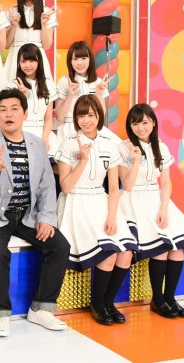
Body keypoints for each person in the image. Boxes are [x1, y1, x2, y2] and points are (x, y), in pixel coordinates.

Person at [0, 88, 70, 337]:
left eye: (14, 109)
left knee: (59, 246)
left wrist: (46, 218)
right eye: (2, 109)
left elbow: (47, 185)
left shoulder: (37, 144)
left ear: (25, 113)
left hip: (26, 215)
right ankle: (1, 313)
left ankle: (40, 308)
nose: (8, 114)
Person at [56, 95, 137, 325]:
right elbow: (65, 187)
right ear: (76, 118)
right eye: (81, 116)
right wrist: (83, 160)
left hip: (102, 202)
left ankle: (108, 303)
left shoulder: (109, 143)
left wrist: (112, 216)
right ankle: (98, 304)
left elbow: (114, 187)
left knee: (126, 252)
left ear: (99, 116)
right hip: (76, 203)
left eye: (91, 115)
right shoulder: (68, 143)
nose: (86, 120)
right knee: (109, 253)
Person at [119, 104, 184, 318]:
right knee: (160, 246)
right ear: (130, 126)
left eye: (145, 122)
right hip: (134, 200)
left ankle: (170, 298)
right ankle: (158, 299)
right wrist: (135, 160)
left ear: (153, 122)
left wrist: (163, 208)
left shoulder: (161, 146)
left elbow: (167, 182)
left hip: (157, 199)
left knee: (178, 246)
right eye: (135, 123)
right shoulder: (124, 147)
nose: (140, 128)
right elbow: (128, 185)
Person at [5, 0, 57, 82]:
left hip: (37, 57)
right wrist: (13, 25)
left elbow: (46, 45)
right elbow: (7, 44)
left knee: (39, 90)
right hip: (16, 57)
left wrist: (43, 24)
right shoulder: (12, 11)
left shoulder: (47, 12)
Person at [55, 41, 109, 145]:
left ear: (90, 59)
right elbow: (59, 117)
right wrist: (70, 95)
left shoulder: (98, 82)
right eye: (75, 59)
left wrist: (99, 95)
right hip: (70, 130)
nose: (79, 63)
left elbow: (101, 116)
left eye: (84, 58)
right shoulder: (64, 82)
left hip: (92, 129)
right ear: (70, 61)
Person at [7, 43, 58, 155]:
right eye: (23, 61)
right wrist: (22, 98)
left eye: (31, 61)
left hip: (43, 132)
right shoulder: (13, 85)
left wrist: (44, 139)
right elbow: (11, 116)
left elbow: (48, 118)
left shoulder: (49, 85)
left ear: (39, 61)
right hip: (20, 132)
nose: (27, 65)